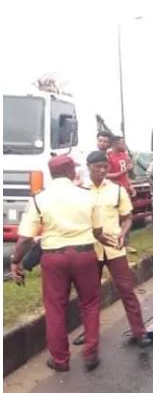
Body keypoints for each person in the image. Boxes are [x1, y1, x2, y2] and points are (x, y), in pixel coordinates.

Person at [10, 155, 114, 372]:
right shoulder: (87, 196)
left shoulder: (40, 199)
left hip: (53, 257)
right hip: (85, 255)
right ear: (69, 172)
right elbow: (97, 231)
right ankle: (90, 355)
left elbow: (25, 239)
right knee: (90, 304)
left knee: (56, 308)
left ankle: (60, 360)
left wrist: (16, 261)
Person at [73, 151, 152, 347]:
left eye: (105, 167)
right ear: (88, 167)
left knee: (126, 290)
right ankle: (89, 332)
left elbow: (127, 217)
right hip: (89, 249)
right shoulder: (80, 190)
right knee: (89, 294)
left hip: (115, 249)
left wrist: (124, 233)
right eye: (97, 167)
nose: (102, 170)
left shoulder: (117, 190)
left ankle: (139, 332)